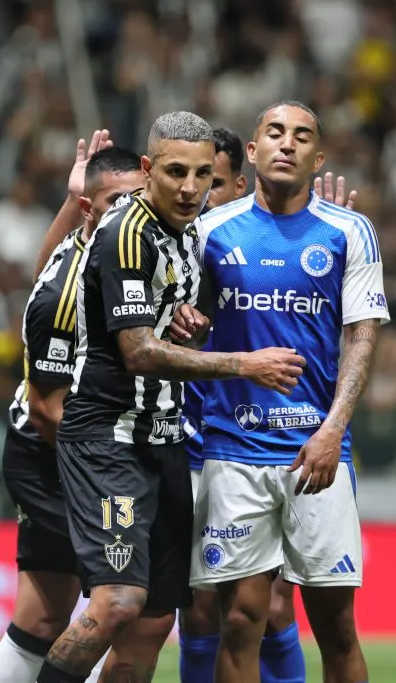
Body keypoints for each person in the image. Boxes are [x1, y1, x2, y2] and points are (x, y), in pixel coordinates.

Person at [35, 111, 307, 683]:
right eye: (176, 172)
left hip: (163, 443)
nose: (190, 188)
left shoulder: (187, 233)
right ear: (147, 168)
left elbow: (172, 331)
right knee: (117, 602)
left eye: (203, 175)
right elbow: (136, 352)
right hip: (108, 438)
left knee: (158, 620)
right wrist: (243, 365)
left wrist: (193, 329)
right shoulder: (126, 231)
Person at [181, 101, 386, 683]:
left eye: (301, 136)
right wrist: (188, 325)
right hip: (232, 451)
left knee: (337, 628)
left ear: (318, 157)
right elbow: (183, 321)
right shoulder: (209, 231)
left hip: (315, 452)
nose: (286, 143)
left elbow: (361, 338)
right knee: (242, 619)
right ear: (252, 150)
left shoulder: (350, 231)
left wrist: (333, 431)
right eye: (274, 132)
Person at [0, 139, 150, 683]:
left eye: (138, 201)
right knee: (112, 605)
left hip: (87, 446)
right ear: (91, 212)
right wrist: (110, 468)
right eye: (116, 202)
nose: (131, 215)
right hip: (55, 449)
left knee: (48, 615)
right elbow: (45, 408)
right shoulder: (68, 283)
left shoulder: (126, 252)